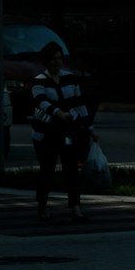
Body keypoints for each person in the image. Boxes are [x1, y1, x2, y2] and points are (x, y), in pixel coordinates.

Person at [30, 40, 95, 223]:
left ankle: (76, 209)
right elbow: (41, 102)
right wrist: (59, 113)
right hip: (45, 133)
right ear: (46, 61)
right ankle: (42, 206)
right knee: (47, 170)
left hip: (66, 131)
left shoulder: (70, 78)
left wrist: (89, 128)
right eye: (53, 59)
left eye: (59, 58)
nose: (57, 62)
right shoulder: (39, 81)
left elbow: (80, 103)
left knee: (71, 169)